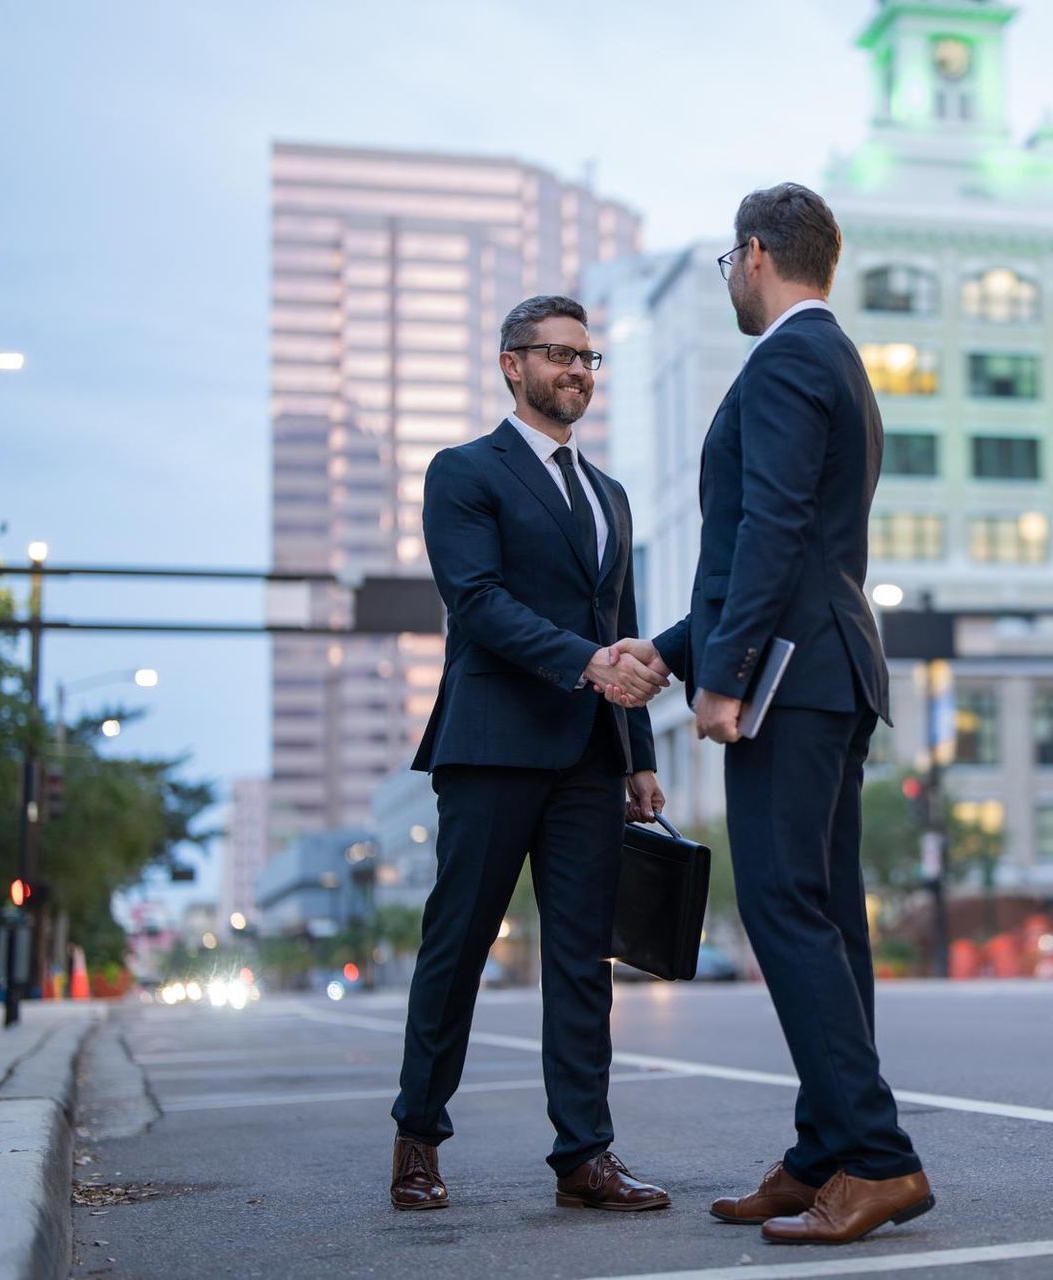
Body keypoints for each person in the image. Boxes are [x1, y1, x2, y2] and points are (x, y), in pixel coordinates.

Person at [605, 183, 932, 1246]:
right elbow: (782, 550)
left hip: (793, 675)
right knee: (826, 915)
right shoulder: (834, 359)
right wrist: (674, 647)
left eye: (724, 266)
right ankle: (826, 1148)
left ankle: (877, 1158)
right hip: (829, 664)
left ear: (754, 255)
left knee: (786, 909)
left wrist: (727, 673)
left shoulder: (789, 356)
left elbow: (776, 529)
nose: (727, 282)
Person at [388, 295, 674, 1214]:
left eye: (590, 358)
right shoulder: (464, 472)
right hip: (493, 747)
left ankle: (585, 1155)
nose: (579, 371)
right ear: (513, 364)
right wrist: (590, 664)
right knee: (458, 945)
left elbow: (616, 624)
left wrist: (635, 754)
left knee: (584, 960)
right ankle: (418, 1140)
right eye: (560, 355)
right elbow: (476, 600)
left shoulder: (610, 496)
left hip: (589, 756)